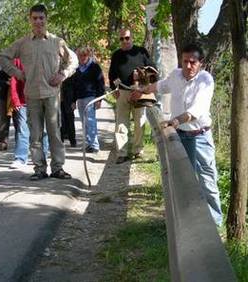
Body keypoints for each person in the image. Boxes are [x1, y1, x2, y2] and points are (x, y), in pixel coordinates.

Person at [133, 43, 222, 226]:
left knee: (208, 180)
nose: (188, 66)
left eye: (193, 62)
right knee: (184, 178)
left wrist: (175, 121)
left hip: (200, 136)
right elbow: (160, 86)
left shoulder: (206, 80)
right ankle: (187, 220)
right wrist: (142, 90)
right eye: (185, 61)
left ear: (201, 63)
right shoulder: (175, 75)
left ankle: (215, 223)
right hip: (181, 136)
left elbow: (197, 110)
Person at [0, 4, 78, 181]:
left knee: (55, 133)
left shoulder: (57, 42)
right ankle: (39, 168)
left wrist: (62, 75)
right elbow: (2, 57)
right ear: (30, 20)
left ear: (46, 19)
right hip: (32, 95)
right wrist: (17, 73)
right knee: (35, 135)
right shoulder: (23, 43)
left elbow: (74, 60)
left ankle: (58, 168)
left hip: (51, 94)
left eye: (41, 18)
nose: (38, 21)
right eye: (35, 18)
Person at [108, 28, 156, 164]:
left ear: (132, 38)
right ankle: (122, 153)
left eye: (127, 38)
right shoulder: (116, 55)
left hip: (139, 91)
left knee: (140, 122)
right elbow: (112, 75)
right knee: (121, 123)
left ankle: (138, 151)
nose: (124, 41)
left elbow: (153, 70)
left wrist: (142, 78)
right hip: (122, 92)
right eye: (122, 39)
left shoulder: (141, 52)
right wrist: (114, 88)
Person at [9, 58, 49, 169]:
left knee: (43, 129)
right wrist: (15, 100)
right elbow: (14, 81)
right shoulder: (18, 60)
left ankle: (43, 155)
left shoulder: (43, 56)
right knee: (22, 129)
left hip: (41, 99)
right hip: (23, 101)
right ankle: (21, 158)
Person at [71, 47, 105, 153]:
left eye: (84, 55)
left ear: (88, 55)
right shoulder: (76, 68)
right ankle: (89, 143)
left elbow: (100, 83)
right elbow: (73, 86)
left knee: (90, 120)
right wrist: (73, 100)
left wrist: (100, 99)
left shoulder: (94, 67)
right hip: (80, 98)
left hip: (91, 97)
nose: (82, 58)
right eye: (80, 56)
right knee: (84, 121)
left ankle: (94, 145)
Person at [0, 69, 11, 151]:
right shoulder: (2, 72)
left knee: (19, 122)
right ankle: (2, 142)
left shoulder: (21, 69)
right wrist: (6, 83)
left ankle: (21, 142)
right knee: (4, 120)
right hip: (4, 98)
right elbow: (1, 83)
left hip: (18, 99)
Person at [60, 77, 76, 147]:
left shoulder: (69, 76)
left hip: (68, 101)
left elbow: (74, 88)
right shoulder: (53, 73)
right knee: (60, 121)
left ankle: (72, 140)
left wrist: (74, 101)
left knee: (70, 121)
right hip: (57, 102)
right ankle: (61, 140)